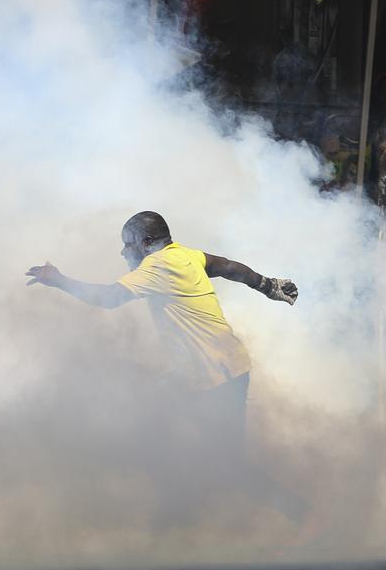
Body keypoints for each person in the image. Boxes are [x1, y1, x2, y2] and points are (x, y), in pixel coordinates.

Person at [25, 211, 310, 531]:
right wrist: (267, 285)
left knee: (228, 468)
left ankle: (299, 513)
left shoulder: (158, 265)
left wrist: (60, 280)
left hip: (217, 377)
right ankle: (169, 523)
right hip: (211, 372)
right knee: (150, 429)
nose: (123, 253)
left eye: (128, 245)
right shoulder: (185, 255)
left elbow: (109, 298)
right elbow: (228, 267)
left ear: (146, 243)